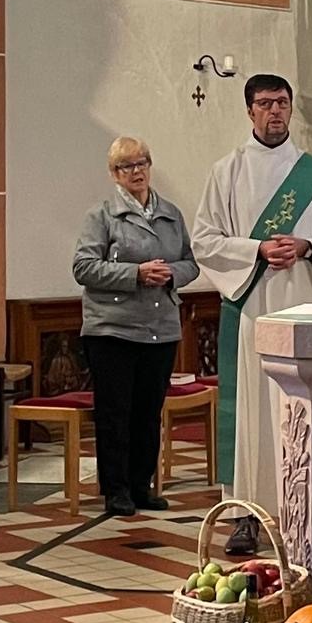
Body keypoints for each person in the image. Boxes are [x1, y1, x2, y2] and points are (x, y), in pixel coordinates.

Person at [193, 75, 312, 555]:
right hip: (251, 310)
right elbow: (204, 240)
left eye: (282, 103)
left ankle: (302, 507)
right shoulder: (227, 172)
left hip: (301, 307)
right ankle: (245, 513)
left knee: (297, 409)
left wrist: (307, 246)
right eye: (265, 104)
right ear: (249, 111)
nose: (275, 111)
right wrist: (256, 249)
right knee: (251, 414)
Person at [73, 136, 199, 518]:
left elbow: (191, 263)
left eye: (142, 162)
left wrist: (169, 273)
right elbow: (83, 267)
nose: (137, 171)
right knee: (115, 412)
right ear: (114, 174)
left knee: (148, 411)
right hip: (112, 329)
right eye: (127, 166)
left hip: (160, 327)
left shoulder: (171, 214)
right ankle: (116, 490)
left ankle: (142, 485)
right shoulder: (102, 216)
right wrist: (135, 274)